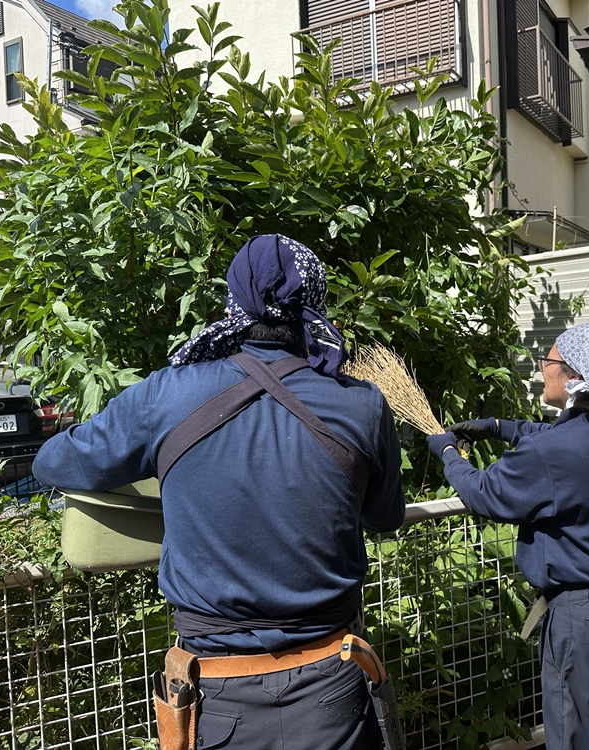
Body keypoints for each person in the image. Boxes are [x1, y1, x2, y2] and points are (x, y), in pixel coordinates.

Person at [33, 234, 405, 750]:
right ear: (314, 303)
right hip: (333, 685)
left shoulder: (168, 394)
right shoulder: (362, 403)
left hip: (216, 694)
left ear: (235, 301)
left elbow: (54, 463)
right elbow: (385, 516)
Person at [426, 323, 589, 750]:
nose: (541, 369)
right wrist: (500, 426)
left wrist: (448, 453)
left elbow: (485, 494)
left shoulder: (556, 452)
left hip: (588, 626)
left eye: (548, 361)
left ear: (573, 377)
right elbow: (553, 438)